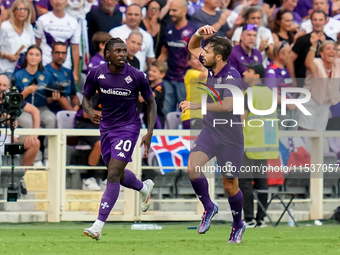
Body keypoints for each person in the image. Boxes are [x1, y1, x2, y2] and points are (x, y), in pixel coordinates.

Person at [82, 37, 157, 240]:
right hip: (107, 128)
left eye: (124, 51)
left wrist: (149, 132)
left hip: (128, 128)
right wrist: (89, 111)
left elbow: (151, 102)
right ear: (107, 54)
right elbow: (86, 98)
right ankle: (143, 187)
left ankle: (98, 225)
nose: (123, 54)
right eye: (118, 51)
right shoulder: (96, 73)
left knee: (113, 173)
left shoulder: (136, 75)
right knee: (117, 172)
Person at [180, 25, 245, 243]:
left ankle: (238, 225)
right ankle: (209, 207)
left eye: (206, 52)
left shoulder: (232, 76)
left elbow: (227, 105)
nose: (201, 55)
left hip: (231, 137)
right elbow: (192, 46)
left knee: (230, 185)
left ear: (218, 57)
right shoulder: (212, 68)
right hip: (210, 130)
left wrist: (195, 105)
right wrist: (199, 32)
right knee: (193, 167)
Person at [239, 62, 278, 228]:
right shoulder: (269, 93)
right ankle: (260, 219)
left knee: (245, 182)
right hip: (266, 145)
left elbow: (242, 118)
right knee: (262, 184)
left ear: (256, 76)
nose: (244, 73)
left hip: (250, 144)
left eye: (248, 71)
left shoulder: (249, 93)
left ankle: (248, 219)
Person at [14, 44, 56, 167]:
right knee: (29, 122)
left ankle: (49, 157)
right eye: (31, 54)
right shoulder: (18, 75)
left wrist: (53, 98)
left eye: (37, 55)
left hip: (42, 108)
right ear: (26, 57)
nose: (33, 57)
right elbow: (14, 101)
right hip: (23, 109)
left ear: (41, 58)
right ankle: (36, 159)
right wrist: (25, 92)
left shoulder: (47, 75)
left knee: (51, 119)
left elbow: (49, 99)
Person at [0, 74, 41, 195]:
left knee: (35, 143)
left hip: (13, 139)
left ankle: (20, 177)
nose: (1, 88)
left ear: (9, 87)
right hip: (3, 139)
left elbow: (35, 111)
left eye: (4, 85)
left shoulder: (13, 98)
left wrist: (35, 133)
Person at [158, 0, 198, 116]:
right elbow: (164, 53)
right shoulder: (169, 28)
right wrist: (155, 69)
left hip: (186, 80)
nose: (171, 13)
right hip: (168, 78)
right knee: (166, 113)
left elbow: (199, 55)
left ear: (184, 11)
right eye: (170, 10)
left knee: (186, 113)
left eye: (174, 10)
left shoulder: (193, 30)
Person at [34, 0, 81, 84]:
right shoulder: (42, 20)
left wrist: (75, 72)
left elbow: (75, 48)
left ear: (66, 2)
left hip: (65, 65)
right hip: (45, 64)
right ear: (51, 2)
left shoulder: (73, 22)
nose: (58, 2)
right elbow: (36, 44)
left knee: (64, 94)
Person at [299, 40, 340, 131]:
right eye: (328, 49)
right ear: (321, 53)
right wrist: (313, 46)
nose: (331, 51)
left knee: (319, 135)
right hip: (309, 102)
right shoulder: (316, 62)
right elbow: (308, 64)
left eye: (334, 49)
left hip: (325, 105)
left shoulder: (337, 64)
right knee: (305, 133)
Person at [288, 10, 333, 88]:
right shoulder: (302, 40)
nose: (317, 22)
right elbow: (290, 59)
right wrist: (293, 80)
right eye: (315, 19)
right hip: (303, 82)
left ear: (325, 21)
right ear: (311, 21)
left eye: (320, 20)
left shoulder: (330, 42)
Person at [109, 4, 155, 71]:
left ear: (141, 16)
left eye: (136, 15)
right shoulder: (115, 33)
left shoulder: (147, 36)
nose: (133, 17)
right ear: (125, 15)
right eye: (130, 14)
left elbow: (150, 60)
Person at [74, 92, 105, 191]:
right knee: (100, 144)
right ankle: (88, 178)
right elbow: (85, 113)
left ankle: (107, 178)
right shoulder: (93, 94)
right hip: (85, 125)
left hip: (102, 126)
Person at [264, 41, 296, 130]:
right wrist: (287, 102)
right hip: (278, 112)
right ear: (280, 54)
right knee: (279, 140)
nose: (291, 55)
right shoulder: (271, 71)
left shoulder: (285, 70)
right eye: (289, 53)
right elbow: (270, 93)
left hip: (290, 111)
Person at [0, 0, 35, 79]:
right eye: (19, 9)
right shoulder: (5, 27)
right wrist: (6, 56)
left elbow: (33, 48)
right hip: (7, 70)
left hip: (24, 71)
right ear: (13, 11)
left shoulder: (29, 27)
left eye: (25, 9)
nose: (22, 12)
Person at [45, 42, 80, 114]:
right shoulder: (45, 72)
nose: (61, 56)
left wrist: (76, 107)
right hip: (52, 110)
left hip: (68, 108)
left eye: (64, 53)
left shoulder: (68, 72)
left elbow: (73, 96)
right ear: (52, 53)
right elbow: (43, 99)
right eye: (57, 52)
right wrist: (72, 113)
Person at [228, 24, 262, 90]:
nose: (252, 38)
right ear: (241, 37)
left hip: (254, 92)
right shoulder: (233, 53)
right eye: (249, 35)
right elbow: (231, 79)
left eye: (254, 35)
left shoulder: (258, 54)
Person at [181, 52, 206, 129]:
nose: (199, 61)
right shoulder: (190, 73)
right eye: (195, 59)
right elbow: (204, 76)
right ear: (189, 62)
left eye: (201, 59)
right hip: (191, 116)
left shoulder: (210, 75)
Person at [139, 60, 166, 128]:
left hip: (155, 119)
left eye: (154, 71)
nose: (150, 72)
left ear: (162, 75)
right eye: (150, 70)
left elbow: (142, 98)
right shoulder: (149, 84)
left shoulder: (160, 87)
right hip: (145, 117)